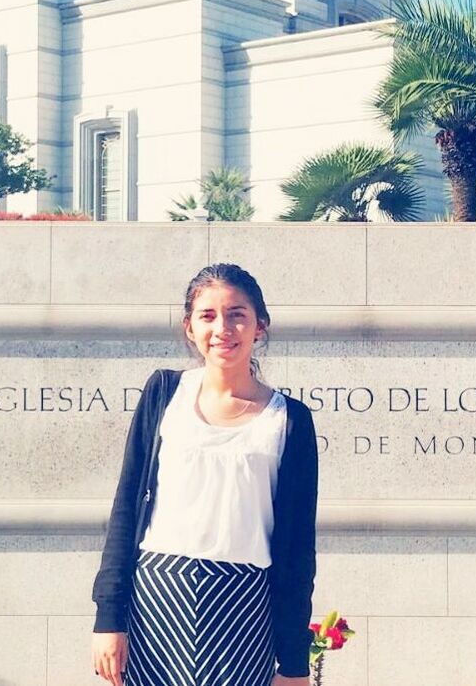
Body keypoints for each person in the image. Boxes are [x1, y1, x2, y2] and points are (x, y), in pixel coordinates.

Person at [91, 262, 319, 686]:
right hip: (157, 599)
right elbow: (125, 509)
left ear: (260, 326)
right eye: (208, 316)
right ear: (189, 328)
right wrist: (109, 618)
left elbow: (297, 550)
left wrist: (293, 665)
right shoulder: (163, 393)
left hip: (244, 604)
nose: (223, 329)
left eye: (237, 315)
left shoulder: (289, 420)